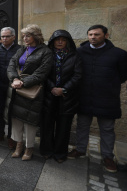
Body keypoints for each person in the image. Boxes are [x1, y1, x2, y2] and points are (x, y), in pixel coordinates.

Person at [68, 25, 127, 172]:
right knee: (82, 126)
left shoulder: (119, 54)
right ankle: (80, 149)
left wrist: (107, 83)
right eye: (90, 34)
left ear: (106, 36)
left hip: (107, 98)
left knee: (107, 129)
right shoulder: (79, 52)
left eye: (96, 34)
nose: (93, 37)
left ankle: (108, 157)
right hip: (84, 96)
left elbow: (123, 75)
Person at [7, 24, 52, 161]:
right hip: (16, 89)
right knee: (16, 119)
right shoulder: (22, 49)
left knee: (30, 121)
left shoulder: (45, 51)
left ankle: (29, 148)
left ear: (36, 36)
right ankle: (18, 145)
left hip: (32, 91)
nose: (25, 38)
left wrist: (23, 82)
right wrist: (14, 78)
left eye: (28, 35)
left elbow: (42, 73)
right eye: (24, 36)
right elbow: (11, 65)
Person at [39, 30, 82, 163]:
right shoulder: (47, 55)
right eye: (57, 40)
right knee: (47, 124)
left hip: (67, 97)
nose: (60, 42)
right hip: (49, 95)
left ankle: (60, 153)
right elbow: (43, 73)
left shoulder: (75, 56)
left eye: (63, 40)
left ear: (67, 42)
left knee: (64, 127)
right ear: (52, 42)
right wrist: (52, 87)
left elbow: (78, 75)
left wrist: (64, 89)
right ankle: (46, 150)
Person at [0, 27, 21, 148]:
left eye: (7, 36)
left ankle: (11, 137)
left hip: (13, 87)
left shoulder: (20, 50)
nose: (4, 38)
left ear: (13, 37)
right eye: (2, 36)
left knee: (12, 112)